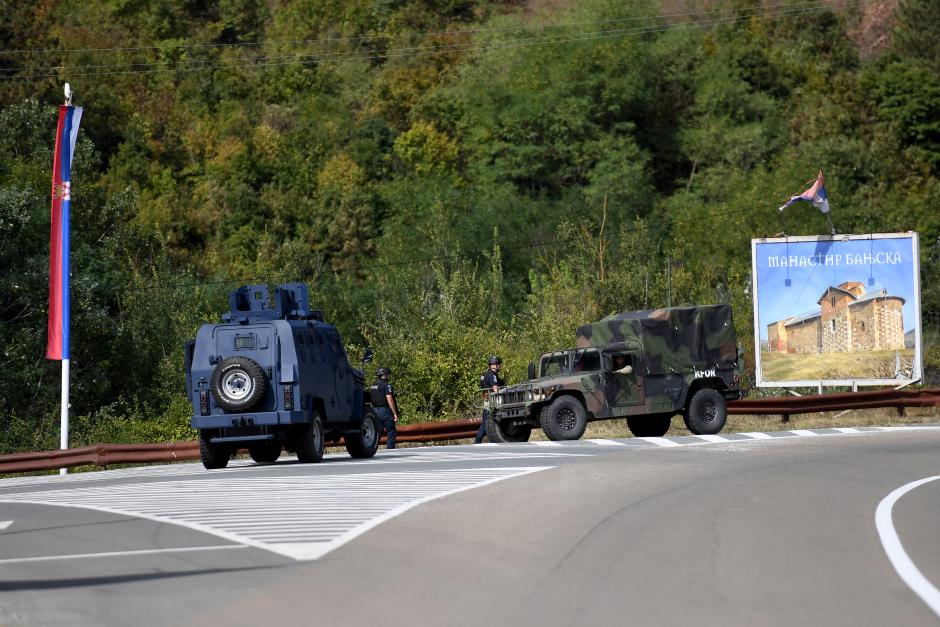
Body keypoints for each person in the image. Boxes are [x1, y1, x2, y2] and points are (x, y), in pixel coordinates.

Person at [474, 355, 505, 444]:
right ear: (495, 365)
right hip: (492, 402)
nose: (499, 366)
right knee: (486, 423)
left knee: (486, 422)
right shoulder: (493, 375)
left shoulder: (485, 374)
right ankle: (477, 441)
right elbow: (495, 389)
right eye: (499, 364)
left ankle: (480, 441)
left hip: (486, 400)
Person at [369, 366, 400, 449]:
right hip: (384, 411)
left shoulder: (373, 385)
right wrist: (395, 413)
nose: (388, 376)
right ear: (385, 375)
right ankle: (390, 450)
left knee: (378, 431)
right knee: (391, 430)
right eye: (388, 374)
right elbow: (389, 399)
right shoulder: (387, 385)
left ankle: (371, 448)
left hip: (374, 411)